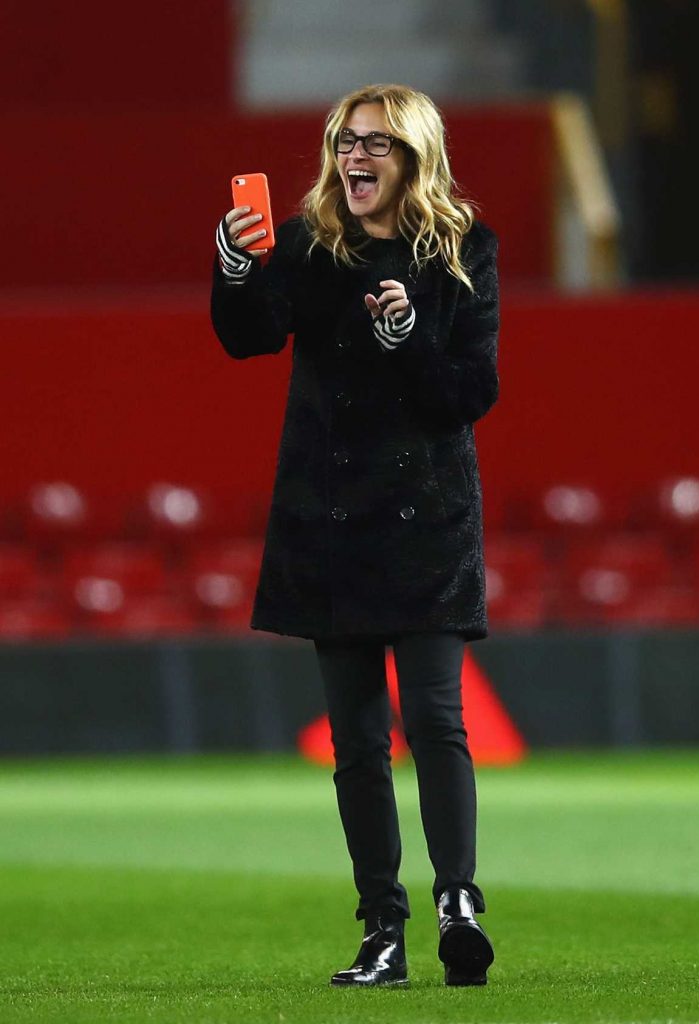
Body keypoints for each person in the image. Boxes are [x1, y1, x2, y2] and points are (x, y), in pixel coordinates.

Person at [210, 83, 500, 988]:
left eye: (375, 142)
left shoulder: (460, 250)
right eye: (345, 141)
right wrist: (232, 266)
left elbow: (467, 395)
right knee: (356, 743)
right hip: (328, 518)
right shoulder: (306, 245)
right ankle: (383, 926)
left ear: (414, 155)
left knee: (434, 721)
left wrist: (409, 335)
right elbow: (247, 338)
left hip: (425, 516)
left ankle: (458, 900)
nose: (354, 157)